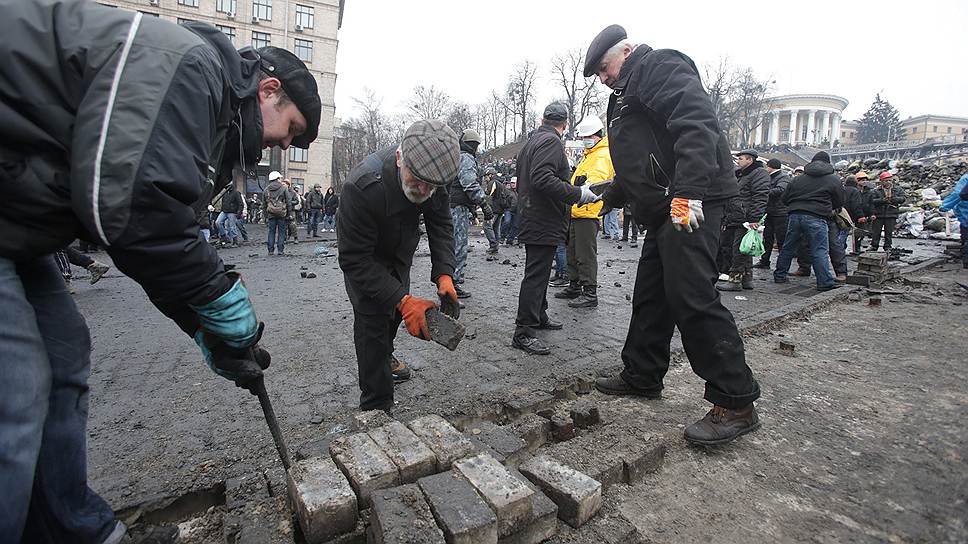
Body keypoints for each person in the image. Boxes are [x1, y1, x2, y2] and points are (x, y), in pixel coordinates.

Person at [0, 1, 321, 540]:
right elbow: (135, 212)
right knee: (15, 387)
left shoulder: (211, 123)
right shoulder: (191, 70)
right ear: (268, 91)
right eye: (291, 129)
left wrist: (206, 332)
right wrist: (218, 297)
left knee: (63, 351)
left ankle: (78, 532)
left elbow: (149, 242)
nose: (287, 145)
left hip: (15, 215)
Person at [584, 24, 761, 445]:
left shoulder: (658, 66)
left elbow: (696, 125)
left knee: (691, 294)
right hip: (663, 208)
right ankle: (643, 374)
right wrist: (608, 196)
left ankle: (736, 400)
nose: (603, 78)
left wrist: (689, 193)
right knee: (651, 293)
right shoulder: (623, 96)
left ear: (625, 52)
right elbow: (638, 161)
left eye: (604, 68)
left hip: (691, 201)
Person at [337, 119, 459, 412]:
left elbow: (440, 223)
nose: (423, 188)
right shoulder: (362, 186)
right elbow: (353, 258)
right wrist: (403, 300)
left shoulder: (435, 176)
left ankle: (386, 356)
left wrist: (444, 272)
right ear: (400, 157)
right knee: (373, 325)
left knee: (392, 316)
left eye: (431, 186)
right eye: (416, 179)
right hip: (366, 259)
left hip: (400, 252)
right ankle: (376, 408)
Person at [511, 102, 600, 355]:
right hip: (543, 218)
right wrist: (577, 195)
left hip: (533, 216)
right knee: (537, 274)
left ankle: (539, 314)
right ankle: (524, 332)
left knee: (538, 271)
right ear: (565, 124)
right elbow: (542, 179)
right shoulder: (550, 142)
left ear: (543, 119)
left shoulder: (532, 142)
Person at [556, 115, 613, 307]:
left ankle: (590, 292)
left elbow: (598, 179)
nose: (583, 140)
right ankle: (574, 285)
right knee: (573, 252)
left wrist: (586, 183)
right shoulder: (590, 154)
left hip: (588, 211)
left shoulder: (602, 154)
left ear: (596, 135)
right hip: (577, 210)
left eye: (585, 137)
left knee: (585, 254)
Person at [773, 152, 843, 290]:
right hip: (817, 217)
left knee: (788, 247)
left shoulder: (797, 179)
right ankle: (824, 282)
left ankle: (780, 275)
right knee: (819, 249)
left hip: (795, 215)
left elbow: (784, 198)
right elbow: (840, 201)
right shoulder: (833, 179)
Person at [447, 129, 492, 298]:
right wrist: (483, 204)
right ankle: (453, 285)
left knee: (453, 246)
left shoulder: (457, 157)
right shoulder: (465, 159)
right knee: (459, 246)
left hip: (455, 205)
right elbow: (469, 185)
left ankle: (451, 281)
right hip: (457, 208)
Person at [719, 149, 769, 291]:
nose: (738, 161)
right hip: (738, 216)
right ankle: (747, 279)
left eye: (741, 158)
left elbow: (760, 196)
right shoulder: (743, 174)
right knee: (744, 248)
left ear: (750, 160)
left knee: (738, 250)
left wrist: (754, 218)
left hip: (746, 218)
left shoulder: (758, 174)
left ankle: (735, 280)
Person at [754, 158, 791, 269]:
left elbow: (780, 190)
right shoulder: (773, 177)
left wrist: (763, 192)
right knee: (767, 237)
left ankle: (782, 265)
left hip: (780, 212)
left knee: (781, 239)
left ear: (770, 167)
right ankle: (764, 260)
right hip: (770, 212)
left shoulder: (783, 177)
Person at [869, 171, 906, 251]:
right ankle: (874, 246)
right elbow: (872, 201)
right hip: (879, 214)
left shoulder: (897, 189)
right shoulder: (876, 191)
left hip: (891, 213)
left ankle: (887, 246)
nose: (888, 182)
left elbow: (903, 198)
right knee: (876, 232)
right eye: (886, 180)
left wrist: (895, 199)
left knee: (888, 232)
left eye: (889, 180)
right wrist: (882, 200)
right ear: (881, 181)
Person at [939, 172, 968, 269]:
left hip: (966, 212)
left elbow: (959, 194)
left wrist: (945, 206)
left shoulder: (966, 178)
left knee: (966, 237)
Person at [263, 171, 292, 255]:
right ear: (277, 178)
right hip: (281, 213)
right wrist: (288, 214)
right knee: (281, 232)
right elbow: (289, 202)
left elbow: (264, 204)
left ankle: (270, 250)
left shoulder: (266, 189)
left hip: (271, 213)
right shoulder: (284, 188)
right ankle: (280, 250)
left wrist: (265, 216)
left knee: (271, 232)